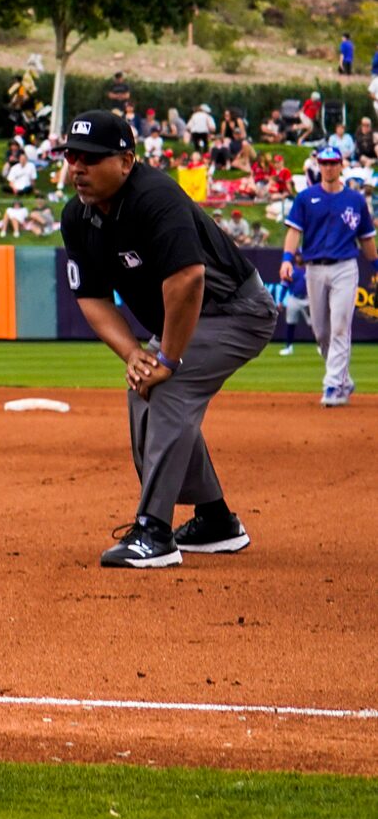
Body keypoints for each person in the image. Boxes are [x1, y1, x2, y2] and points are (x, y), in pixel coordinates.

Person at [59, 110, 274, 569]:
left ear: (126, 161)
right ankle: (216, 520)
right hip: (187, 319)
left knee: (168, 386)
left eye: (91, 158)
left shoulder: (155, 197)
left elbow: (189, 279)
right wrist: (135, 353)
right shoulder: (77, 216)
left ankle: (153, 531)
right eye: (72, 156)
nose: (78, 166)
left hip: (236, 310)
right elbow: (91, 296)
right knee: (143, 387)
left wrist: (169, 359)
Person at [280, 140, 373, 407]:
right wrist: (287, 259)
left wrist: (376, 265)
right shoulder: (306, 197)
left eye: (333, 163)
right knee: (321, 332)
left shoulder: (355, 199)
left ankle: (332, 386)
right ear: (318, 166)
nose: (329, 167)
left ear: (341, 165)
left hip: (344, 266)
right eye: (324, 163)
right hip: (313, 269)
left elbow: (366, 237)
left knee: (341, 327)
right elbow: (294, 231)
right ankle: (343, 378)